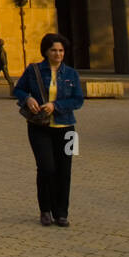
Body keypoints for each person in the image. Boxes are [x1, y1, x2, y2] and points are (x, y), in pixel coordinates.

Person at [14, 32, 84, 227]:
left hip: (68, 128)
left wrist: (56, 106)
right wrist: (27, 98)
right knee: (46, 168)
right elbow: (18, 89)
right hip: (39, 127)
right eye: (54, 50)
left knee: (65, 171)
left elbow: (78, 100)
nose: (58, 54)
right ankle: (45, 210)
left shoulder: (71, 74)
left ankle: (61, 213)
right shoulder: (33, 70)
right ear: (46, 51)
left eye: (61, 50)